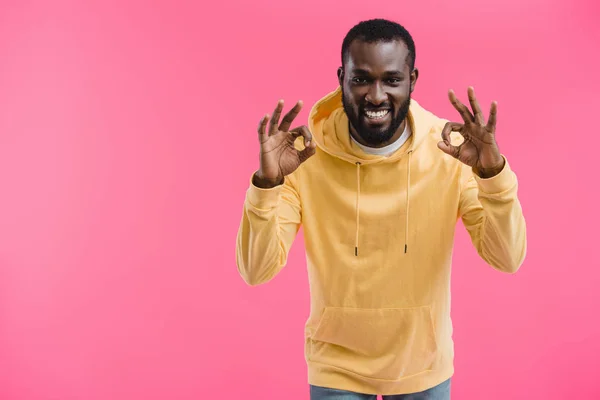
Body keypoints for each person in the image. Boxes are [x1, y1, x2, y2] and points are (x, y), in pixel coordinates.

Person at [235, 18, 527, 399]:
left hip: (423, 366)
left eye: (391, 79)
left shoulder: (450, 151)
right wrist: (267, 185)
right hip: (335, 366)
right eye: (361, 79)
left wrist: (492, 176)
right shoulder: (305, 158)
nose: (376, 95)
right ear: (342, 77)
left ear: (412, 79)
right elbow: (256, 270)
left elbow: (507, 258)